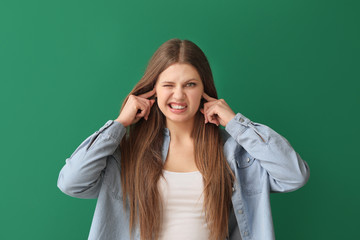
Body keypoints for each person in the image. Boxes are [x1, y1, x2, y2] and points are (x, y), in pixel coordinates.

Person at [57, 38, 310, 240]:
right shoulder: (127, 154)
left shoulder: (234, 153)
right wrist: (120, 124)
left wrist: (236, 123)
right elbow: (71, 182)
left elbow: (294, 175)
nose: (178, 95)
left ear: (204, 90)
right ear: (153, 90)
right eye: (168, 85)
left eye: (190, 84)